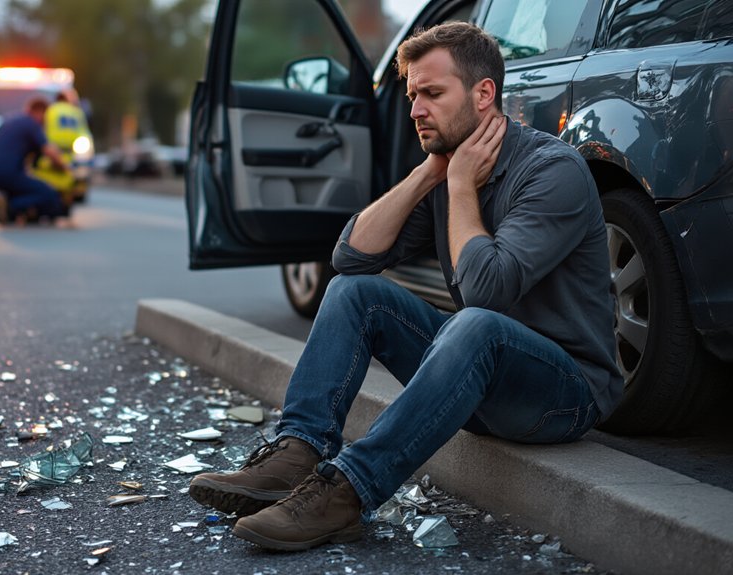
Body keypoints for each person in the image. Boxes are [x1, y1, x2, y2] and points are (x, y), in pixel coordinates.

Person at [188, 22, 623, 552]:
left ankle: (346, 492)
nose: (416, 110)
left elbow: (486, 293)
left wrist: (460, 185)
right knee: (354, 293)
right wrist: (429, 174)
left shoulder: (553, 170)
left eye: (433, 94)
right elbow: (349, 257)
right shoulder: (448, 167)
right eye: (413, 94)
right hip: (475, 375)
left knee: (475, 323)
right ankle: (296, 454)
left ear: (484, 94)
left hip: (562, 394)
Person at [0, 97, 68, 224]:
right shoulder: (31, 124)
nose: (46, 121)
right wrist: (64, 167)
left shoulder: (11, 120)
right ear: (41, 112)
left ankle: (6, 204)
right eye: (46, 116)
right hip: (6, 172)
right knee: (47, 193)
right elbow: (49, 151)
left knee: (22, 189)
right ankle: (10, 207)